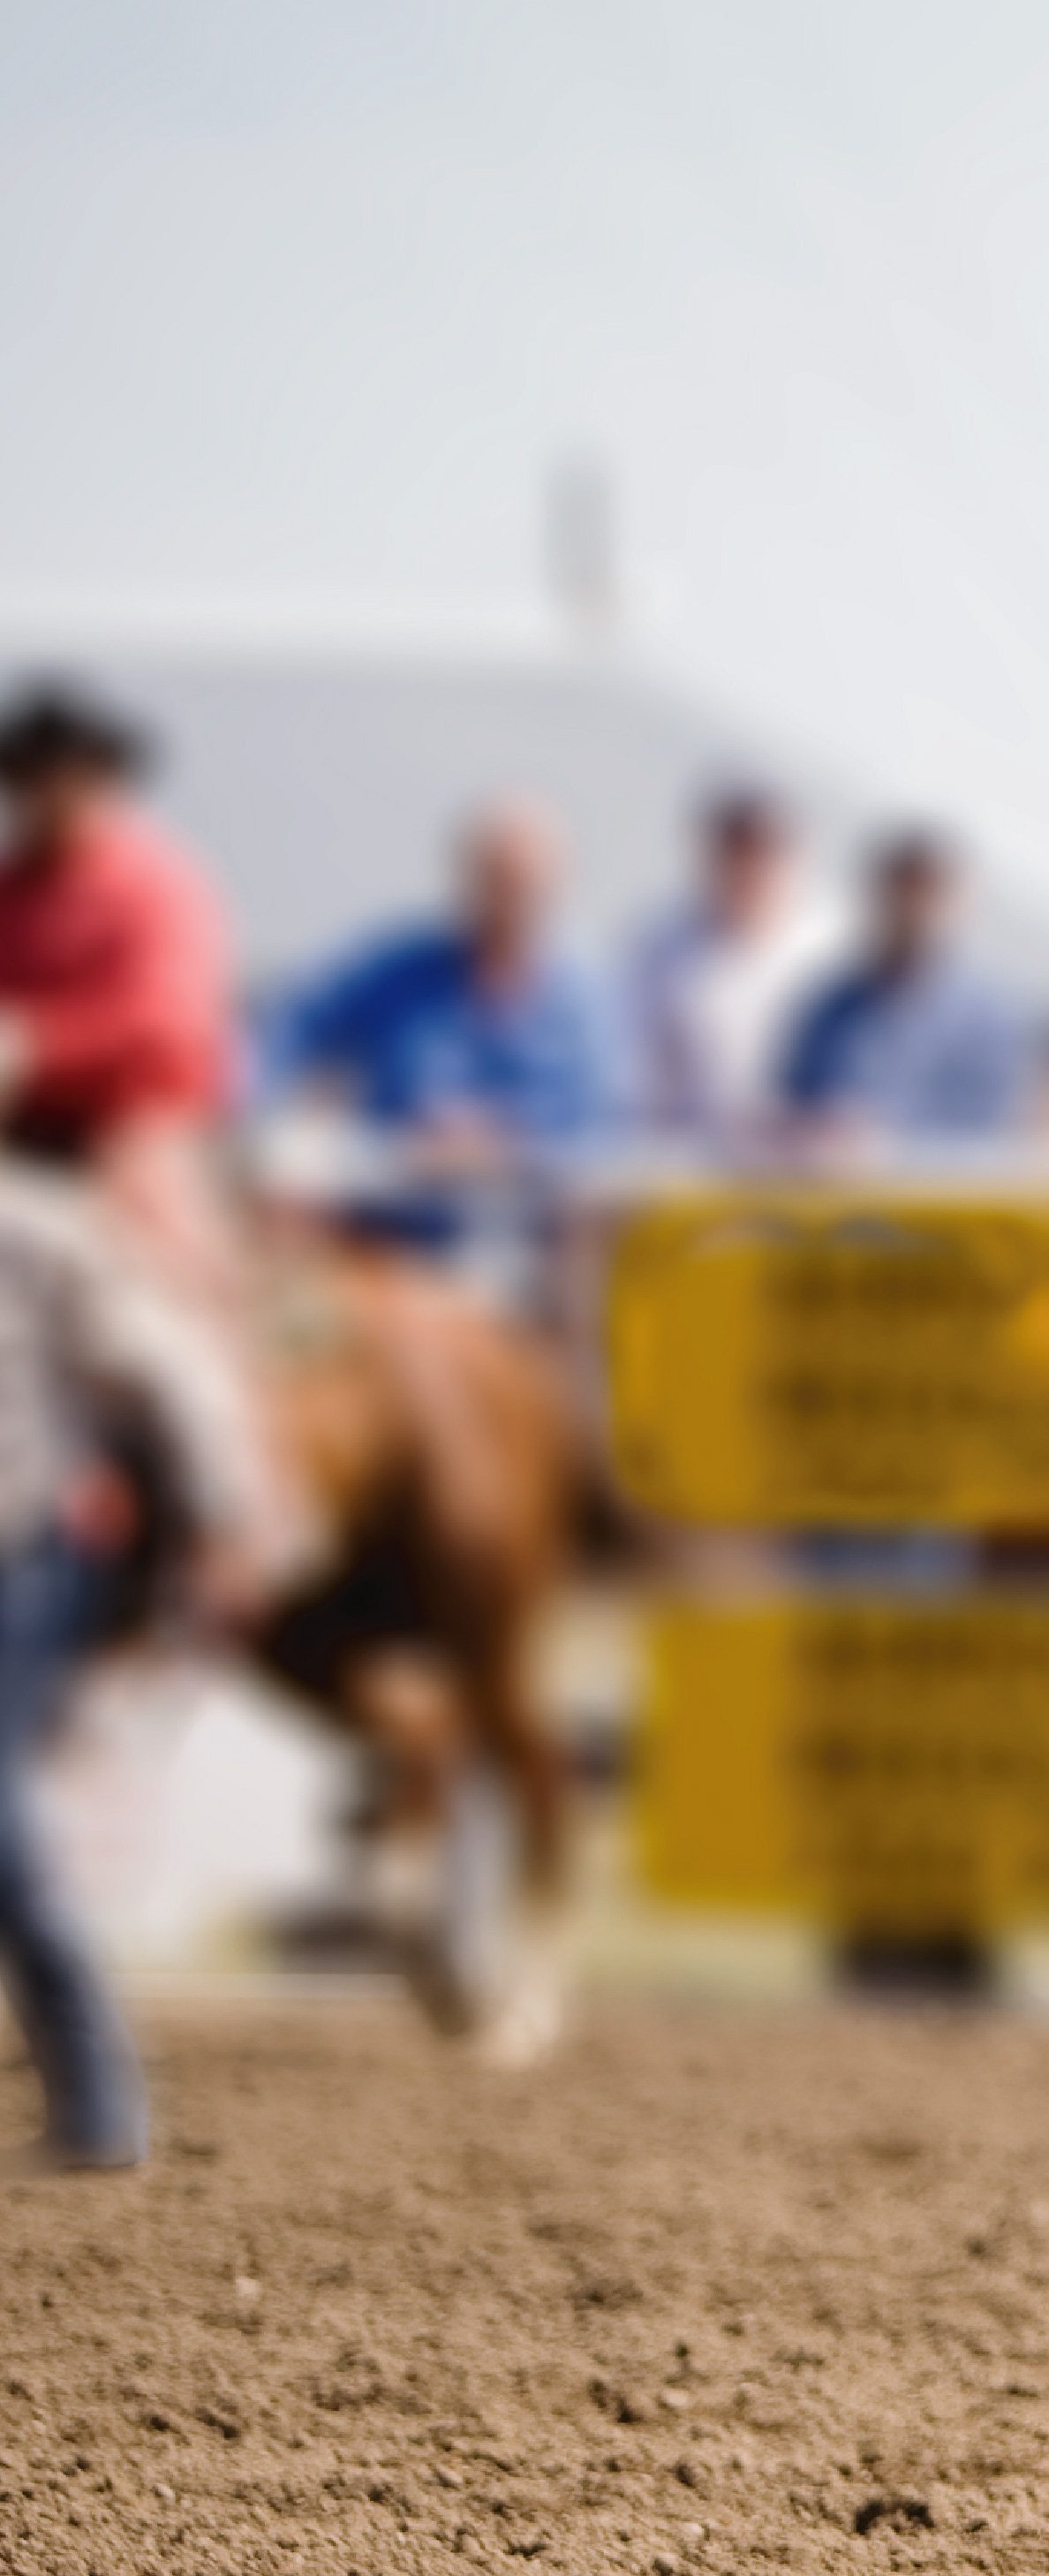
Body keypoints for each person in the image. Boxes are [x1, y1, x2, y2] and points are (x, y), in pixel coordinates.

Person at [0, 1167, 295, 2167]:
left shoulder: (39, 1232)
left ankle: (97, 2098)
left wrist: (222, 1516)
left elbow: (173, 1373)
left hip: (20, 1560)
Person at [264, 804, 619, 1260]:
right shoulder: (398, 968)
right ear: (466, 879)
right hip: (382, 1234)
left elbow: (596, 1134)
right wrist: (280, 1137)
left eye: (526, 884)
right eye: (495, 878)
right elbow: (291, 1024)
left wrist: (499, 1142)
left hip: (520, 1254)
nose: (510, 898)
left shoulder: (583, 1005)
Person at [0, 680, 240, 1285]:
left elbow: (168, 1017)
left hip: (130, 1120)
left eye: (63, 777)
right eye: (30, 778)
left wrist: (36, 1043)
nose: (45, 796)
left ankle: (194, 1372)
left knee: (158, 1265)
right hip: (20, 1124)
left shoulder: (157, 884)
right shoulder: (10, 889)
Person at [615, 781, 833, 1160]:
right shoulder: (660, 946)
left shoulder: (830, 949)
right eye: (736, 847)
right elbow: (638, 1079)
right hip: (695, 1172)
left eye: (764, 848)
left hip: (808, 1172)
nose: (749, 865)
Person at [776, 828, 1031, 1151]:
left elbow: (995, 1131)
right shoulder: (828, 1007)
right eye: (901, 891)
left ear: (955, 903)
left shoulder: (992, 1017)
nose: (912, 909)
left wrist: (883, 1141)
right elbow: (794, 1108)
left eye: (927, 893)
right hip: (843, 1197)